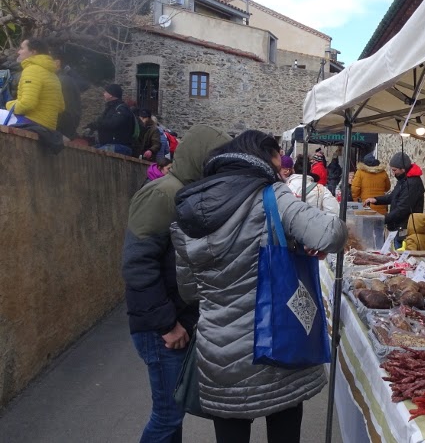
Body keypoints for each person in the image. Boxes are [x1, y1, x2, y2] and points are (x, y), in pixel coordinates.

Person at [171, 130, 347, 443]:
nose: (283, 167)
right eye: (280, 158)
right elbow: (331, 234)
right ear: (266, 155)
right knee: (284, 427)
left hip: (217, 351)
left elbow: (189, 291)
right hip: (277, 343)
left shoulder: (189, 207)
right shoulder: (271, 196)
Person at [122, 124, 230, 443]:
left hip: (176, 320)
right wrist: (167, 325)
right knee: (167, 416)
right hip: (162, 328)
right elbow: (137, 264)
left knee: (174, 412)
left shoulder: (187, 191)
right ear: (201, 160)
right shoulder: (164, 193)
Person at [363, 152, 425, 246]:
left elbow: (403, 209)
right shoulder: (403, 180)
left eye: (394, 170)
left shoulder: (412, 183)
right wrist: (376, 200)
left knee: (400, 255)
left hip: (405, 228)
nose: (393, 173)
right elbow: (393, 196)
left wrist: (383, 219)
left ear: (403, 169)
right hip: (398, 227)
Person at [3, 38, 64, 130]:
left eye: (22, 48)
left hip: (31, 123)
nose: (19, 52)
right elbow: (61, 107)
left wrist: (8, 105)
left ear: (33, 52)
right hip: (48, 127)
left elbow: (27, 104)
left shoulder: (32, 70)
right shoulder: (53, 75)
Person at [88, 84, 136, 155]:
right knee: (87, 151)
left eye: (105, 92)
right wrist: (92, 126)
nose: (103, 94)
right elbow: (102, 122)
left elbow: (113, 123)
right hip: (107, 144)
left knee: (95, 154)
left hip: (120, 146)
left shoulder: (122, 108)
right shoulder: (110, 108)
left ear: (111, 94)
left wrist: (97, 124)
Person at [53, 54, 88, 140]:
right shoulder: (62, 80)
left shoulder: (62, 81)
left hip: (60, 130)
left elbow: (68, 109)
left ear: (57, 62)